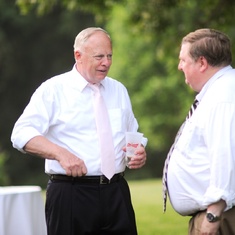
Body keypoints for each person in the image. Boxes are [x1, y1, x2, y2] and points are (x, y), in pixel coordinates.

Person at [11, 27, 147, 235]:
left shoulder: (118, 89)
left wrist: (136, 154)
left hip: (117, 192)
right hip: (71, 194)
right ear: (78, 55)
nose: (106, 62)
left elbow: (131, 135)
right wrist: (61, 154)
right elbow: (21, 133)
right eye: (99, 56)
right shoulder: (54, 89)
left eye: (109, 56)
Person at [164, 28, 235, 235]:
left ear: (202, 63)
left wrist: (213, 216)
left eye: (183, 60)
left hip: (220, 217)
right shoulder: (221, 90)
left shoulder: (222, 97)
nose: (179, 67)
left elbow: (225, 156)